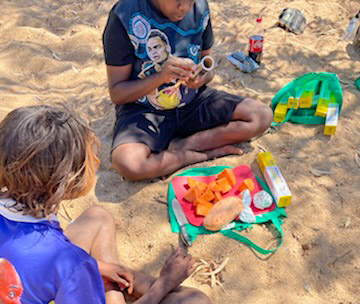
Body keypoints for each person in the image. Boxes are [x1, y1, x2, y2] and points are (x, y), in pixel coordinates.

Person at [0, 105, 211, 304]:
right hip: (65, 269)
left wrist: (95, 267)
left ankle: (111, 285)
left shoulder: (58, 254)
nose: (95, 160)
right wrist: (165, 283)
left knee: (97, 217)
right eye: (88, 158)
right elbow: (58, 264)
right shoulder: (69, 263)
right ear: (66, 180)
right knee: (195, 300)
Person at [102, 0, 274, 181]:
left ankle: (184, 145)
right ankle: (194, 155)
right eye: (178, 1)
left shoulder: (199, 8)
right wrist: (160, 77)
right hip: (144, 110)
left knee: (261, 116)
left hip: (193, 101)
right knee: (128, 164)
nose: (185, 8)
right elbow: (117, 93)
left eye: (191, 1)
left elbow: (208, 65)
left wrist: (202, 78)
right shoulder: (124, 16)